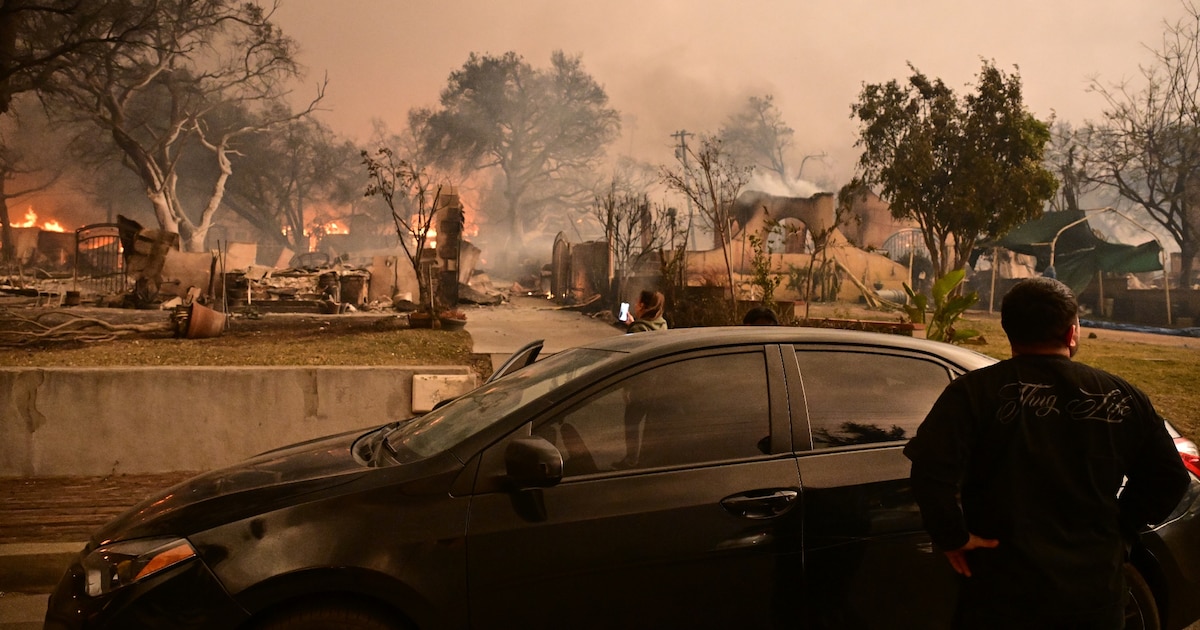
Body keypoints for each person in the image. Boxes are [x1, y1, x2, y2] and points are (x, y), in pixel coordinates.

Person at [903, 277, 1189, 629]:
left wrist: (953, 537)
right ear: (1071, 334)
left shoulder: (972, 393)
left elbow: (930, 472)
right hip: (1093, 592)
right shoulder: (1123, 396)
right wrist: (1120, 528)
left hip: (1000, 591)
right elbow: (1170, 477)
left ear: (1009, 332)